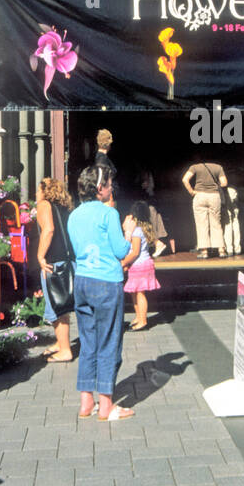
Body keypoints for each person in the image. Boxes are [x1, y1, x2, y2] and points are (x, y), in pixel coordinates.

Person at [68, 168, 134, 421]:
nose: (111, 187)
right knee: (109, 342)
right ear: (99, 189)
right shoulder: (109, 213)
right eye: (108, 184)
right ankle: (106, 405)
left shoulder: (73, 215)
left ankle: (86, 401)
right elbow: (120, 250)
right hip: (107, 282)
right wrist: (127, 231)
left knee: (88, 341)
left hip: (83, 280)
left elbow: (76, 249)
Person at [36, 176, 73, 362]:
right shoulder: (65, 207)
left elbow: (48, 230)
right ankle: (61, 342)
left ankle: (65, 350)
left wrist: (40, 256)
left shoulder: (44, 205)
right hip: (67, 260)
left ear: (44, 190)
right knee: (62, 304)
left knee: (57, 306)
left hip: (53, 262)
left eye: (38, 189)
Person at [122, 200, 161, 330]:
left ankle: (143, 320)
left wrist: (124, 262)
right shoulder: (144, 228)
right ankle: (138, 316)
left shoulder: (137, 231)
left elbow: (135, 252)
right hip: (141, 265)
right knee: (135, 292)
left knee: (139, 293)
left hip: (139, 264)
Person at [182, 159, 228, 258]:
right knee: (216, 223)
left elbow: (185, 179)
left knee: (201, 224)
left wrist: (191, 192)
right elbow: (224, 183)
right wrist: (214, 186)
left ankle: (204, 251)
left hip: (200, 196)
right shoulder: (218, 167)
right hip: (214, 196)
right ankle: (221, 250)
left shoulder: (195, 167)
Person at [93, 129, 117, 199]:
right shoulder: (101, 159)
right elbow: (102, 178)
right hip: (106, 195)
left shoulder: (101, 157)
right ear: (108, 144)